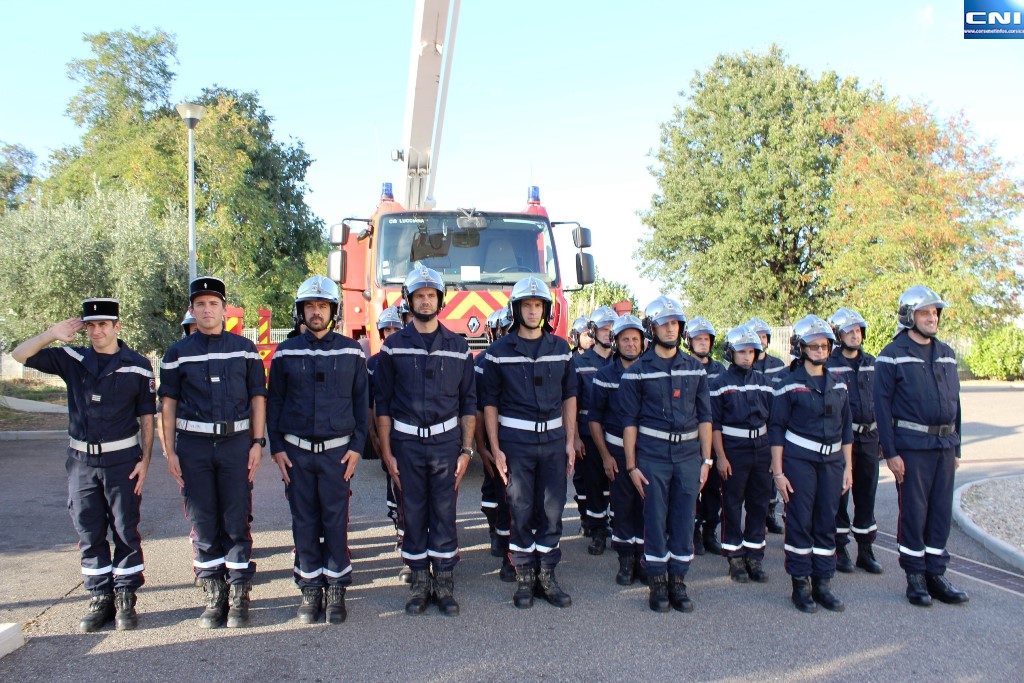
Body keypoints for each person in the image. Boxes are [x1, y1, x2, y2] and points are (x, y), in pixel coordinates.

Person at [13, 298, 156, 632]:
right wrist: (51, 333)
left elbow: (147, 418)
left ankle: (125, 596)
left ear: (117, 326)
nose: (96, 331)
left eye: (103, 324)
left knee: (125, 529)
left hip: (122, 459)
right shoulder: (73, 358)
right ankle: (100, 596)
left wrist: (146, 461)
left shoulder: (137, 366)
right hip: (81, 461)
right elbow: (19, 355)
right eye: (90, 325)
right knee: (89, 530)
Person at [159, 276, 267, 629]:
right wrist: (169, 452)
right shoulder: (177, 354)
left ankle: (239, 592)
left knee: (236, 517)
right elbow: (167, 405)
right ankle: (214, 592)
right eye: (200, 304)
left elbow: (258, 398)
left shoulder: (245, 349)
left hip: (236, 443)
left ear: (224, 309)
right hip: (193, 446)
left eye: (213, 304)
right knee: (203, 519)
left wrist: (257, 442)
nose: (207, 310)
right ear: (192, 310)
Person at [375, 267, 477, 616]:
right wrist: (386, 451)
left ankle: (444, 582)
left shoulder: (458, 347)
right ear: (409, 301)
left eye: (431, 295)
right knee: (413, 512)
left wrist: (467, 450)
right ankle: (420, 582)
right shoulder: (393, 347)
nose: (425, 301)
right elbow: (383, 405)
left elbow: (468, 404)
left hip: (446, 444)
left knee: (445, 512)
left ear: (440, 300)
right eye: (419, 296)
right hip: (406, 443)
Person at [267, 276, 367, 625]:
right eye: (309, 306)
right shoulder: (286, 352)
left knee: (335, 521)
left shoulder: (352, 351)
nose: (315, 312)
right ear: (300, 311)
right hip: (296, 454)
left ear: (333, 311)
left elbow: (362, 403)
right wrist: (277, 448)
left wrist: (357, 447)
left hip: (337, 454)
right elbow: (275, 402)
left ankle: (336, 588)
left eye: (322, 306)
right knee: (304, 521)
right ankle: (310, 588)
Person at [481, 276, 577, 609]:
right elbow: (490, 404)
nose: (533, 311)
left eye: (538, 305)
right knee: (519, 509)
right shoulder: (497, 353)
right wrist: (495, 448)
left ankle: (547, 576)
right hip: (516, 442)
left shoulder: (561, 349)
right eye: (527, 305)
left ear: (546, 310)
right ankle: (524, 577)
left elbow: (569, 396)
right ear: (516, 309)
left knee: (551, 510)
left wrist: (570, 441)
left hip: (553, 441)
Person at [874, 285, 968, 607]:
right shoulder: (892, 355)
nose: (932, 318)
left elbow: (956, 402)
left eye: (935, 312)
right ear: (908, 316)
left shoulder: (946, 353)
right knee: (915, 513)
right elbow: (881, 408)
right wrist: (891, 453)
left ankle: (935, 574)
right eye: (925, 313)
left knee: (940, 512)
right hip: (912, 448)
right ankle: (915, 577)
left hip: (944, 446)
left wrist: (956, 448)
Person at [620, 296, 712, 613]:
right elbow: (629, 422)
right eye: (664, 324)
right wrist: (631, 466)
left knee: (684, 520)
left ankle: (678, 582)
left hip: (688, 457)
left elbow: (705, 418)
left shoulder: (695, 369)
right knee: (655, 519)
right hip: (653, 456)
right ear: (652, 328)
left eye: (675, 323)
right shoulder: (637, 372)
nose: (671, 329)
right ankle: (657, 582)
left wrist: (707, 460)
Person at [769, 316, 853, 613]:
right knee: (801, 520)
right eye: (814, 346)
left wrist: (848, 468)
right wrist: (778, 472)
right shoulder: (788, 385)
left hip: (832, 462)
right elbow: (776, 429)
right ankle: (801, 584)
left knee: (826, 521)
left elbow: (846, 429)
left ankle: (823, 583)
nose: (820, 350)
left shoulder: (839, 384)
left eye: (825, 345)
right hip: (799, 461)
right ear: (801, 348)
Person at [710, 326, 774, 584]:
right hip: (733, 449)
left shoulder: (765, 383)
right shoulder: (719, 384)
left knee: (759, 503)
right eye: (742, 352)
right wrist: (721, 457)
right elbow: (714, 425)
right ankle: (734, 556)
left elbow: (774, 421)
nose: (747, 357)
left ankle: (754, 555)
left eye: (751, 352)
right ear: (730, 352)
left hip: (762, 448)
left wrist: (774, 457)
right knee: (732, 504)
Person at [589, 314, 647, 585]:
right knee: (622, 507)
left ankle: (643, 559)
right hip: (617, 453)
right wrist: (605, 456)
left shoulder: (652, 372)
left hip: (647, 453)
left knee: (646, 506)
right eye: (625, 339)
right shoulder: (604, 376)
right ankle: (625, 561)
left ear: (643, 342)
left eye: (635, 339)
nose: (631, 344)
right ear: (616, 342)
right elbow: (595, 420)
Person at [826, 308, 883, 575]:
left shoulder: (873, 363)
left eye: (858, 331)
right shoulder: (829, 364)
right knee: (840, 495)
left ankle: (866, 550)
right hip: (841, 439)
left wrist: (883, 439)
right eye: (849, 331)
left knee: (867, 494)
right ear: (838, 335)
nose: (855, 335)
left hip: (870, 436)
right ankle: (840, 547)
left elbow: (883, 401)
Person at [367, 305, 407, 580]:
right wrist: (374, 437)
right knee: (393, 483)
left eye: (396, 328)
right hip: (385, 430)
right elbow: (371, 404)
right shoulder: (373, 364)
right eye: (387, 329)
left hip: (406, 431)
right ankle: (400, 528)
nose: (391, 333)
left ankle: (409, 537)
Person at [476, 307, 516, 582]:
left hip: (516, 438)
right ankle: (497, 536)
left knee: (512, 498)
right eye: (503, 329)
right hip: (495, 436)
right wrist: (481, 446)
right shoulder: (482, 362)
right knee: (494, 493)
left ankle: (510, 547)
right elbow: (478, 409)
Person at [574, 305, 617, 554]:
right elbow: (572, 403)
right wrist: (575, 438)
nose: (608, 333)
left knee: (618, 485)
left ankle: (619, 530)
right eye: (604, 329)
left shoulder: (623, 362)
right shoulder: (579, 363)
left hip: (618, 435)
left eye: (612, 329)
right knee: (593, 485)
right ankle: (597, 531)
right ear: (593, 331)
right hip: (589, 435)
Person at [685, 316, 726, 556]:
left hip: (715, 436)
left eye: (706, 339)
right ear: (689, 341)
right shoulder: (684, 366)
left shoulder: (720, 370)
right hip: (691, 437)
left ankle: (710, 531)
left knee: (713, 489)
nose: (703, 343)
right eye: (698, 339)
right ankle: (693, 532)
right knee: (691, 488)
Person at [746, 316, 788, 535]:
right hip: (752, 428)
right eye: (757, 336)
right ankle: (756, 517)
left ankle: (770, 513)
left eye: (763, 336)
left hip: (773, 425)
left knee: (772, 473)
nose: (761, 340)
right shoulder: (744, 362)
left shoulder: (778, 366)